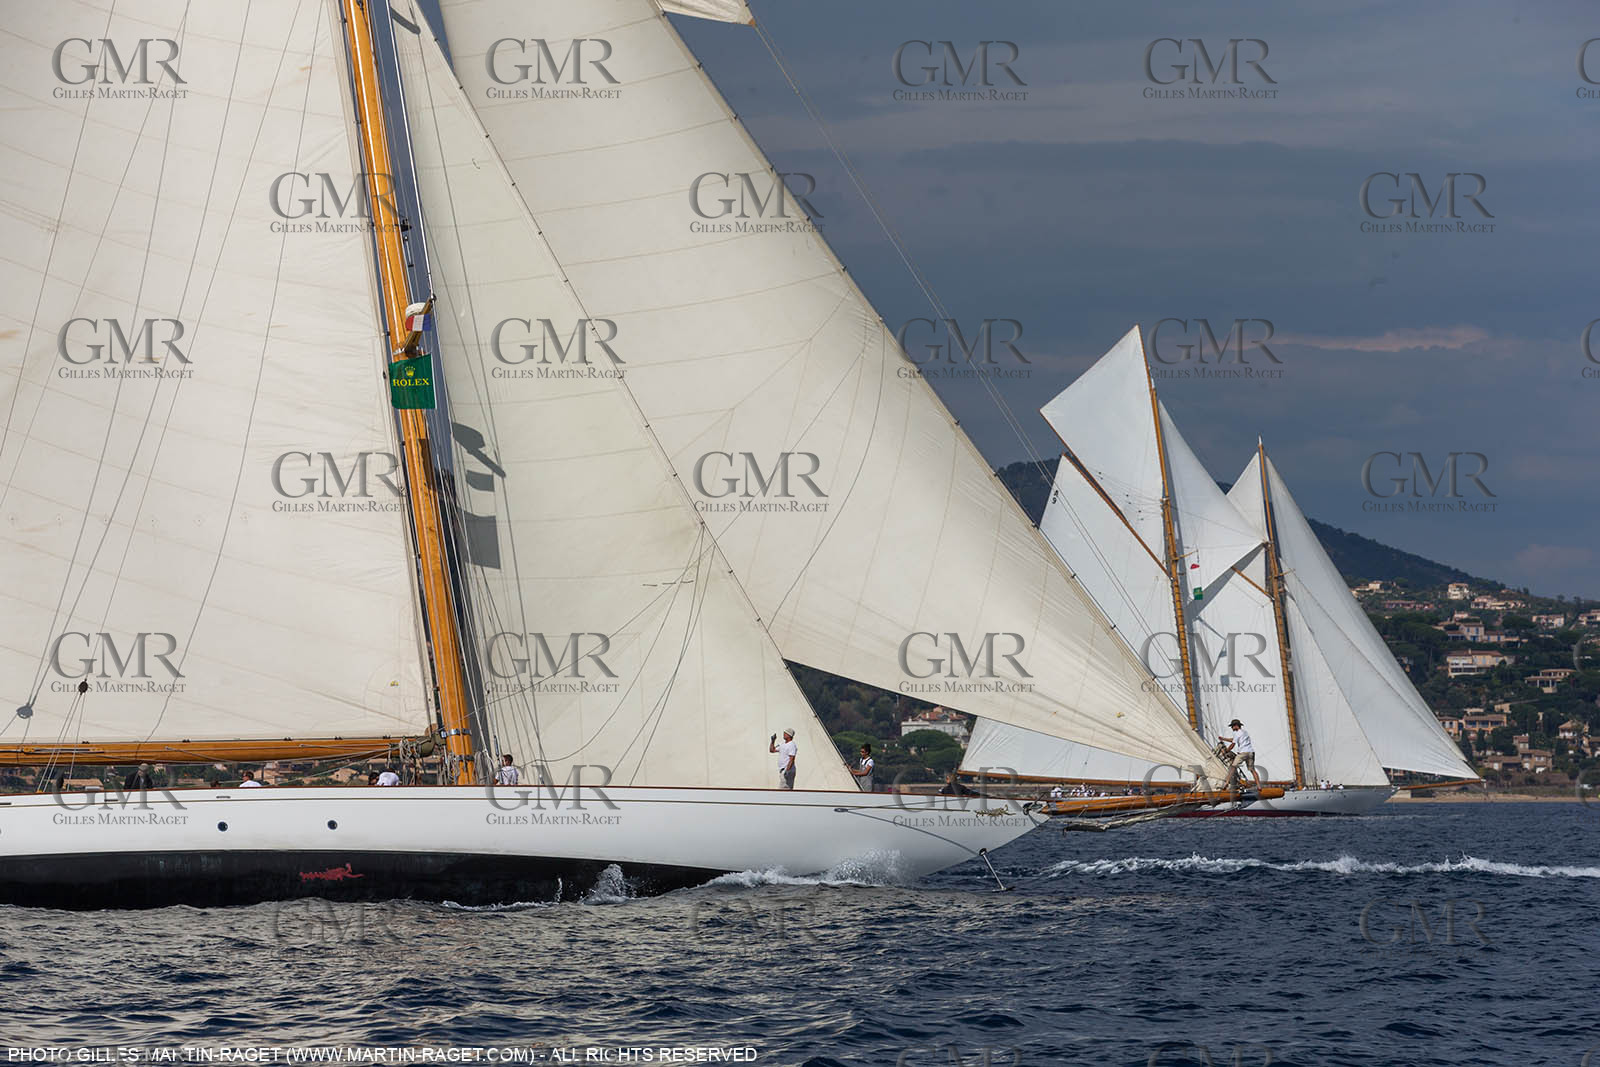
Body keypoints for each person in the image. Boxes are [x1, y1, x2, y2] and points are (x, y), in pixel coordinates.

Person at [1219, 718, 1261, 789]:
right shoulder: (1245, 732)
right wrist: (1224, 739)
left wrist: (1226, 750)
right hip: (1251, 752)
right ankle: (1259, 786)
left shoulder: (1236, 733)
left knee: (1233, 767)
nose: (1232, 728)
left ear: (1236, 726)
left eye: (1232, 726)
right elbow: (1234, 739)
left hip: (1243, 753)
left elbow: (1233, 744)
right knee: (1252, 770)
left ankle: (1226, 783)